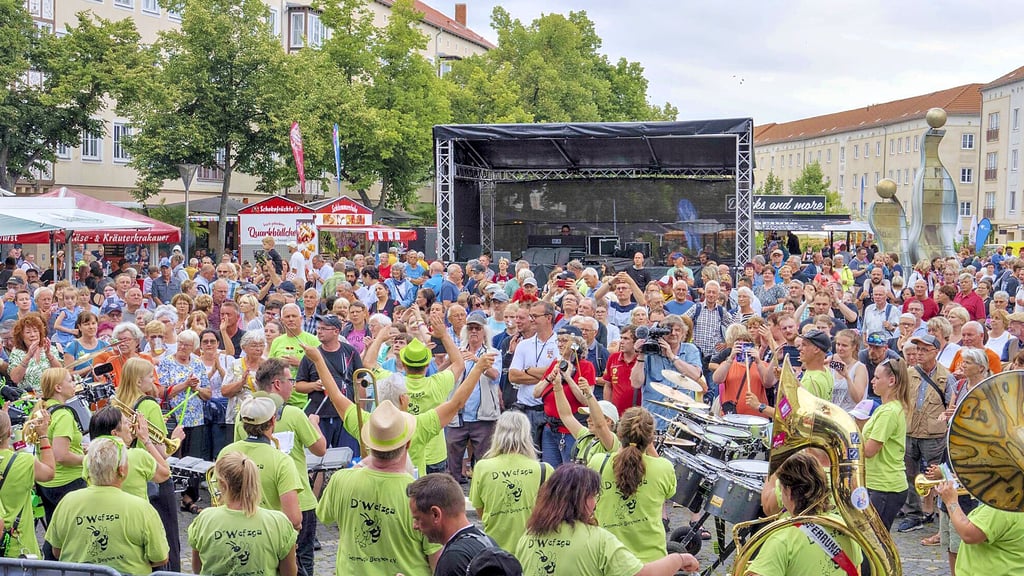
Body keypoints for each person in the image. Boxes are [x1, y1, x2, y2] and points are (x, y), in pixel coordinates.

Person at [317, 400, 442, 576]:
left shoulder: (341, 480)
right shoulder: (424, 496)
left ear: (369, 445)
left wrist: (361, 464)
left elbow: (325, 516)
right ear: (407, 444)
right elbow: (437, 562)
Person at [514, 463, 699, 576]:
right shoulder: (599, 540)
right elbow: (644, 574)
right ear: (583, 498)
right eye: (594, 495)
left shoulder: (528, 537)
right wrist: (679, 558)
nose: (595, 502)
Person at [236, 356, 326, 576]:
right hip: (297, 501)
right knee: (302, 560)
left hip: (257, 499)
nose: (293, 385)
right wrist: (314, 424)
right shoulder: (294, 413)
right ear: (277, 384)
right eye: (290, 380)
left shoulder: (244, 415)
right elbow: (320, 449)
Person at [45, 437, 169, 572]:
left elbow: (57, 551)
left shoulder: (67, 502)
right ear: (121, 470)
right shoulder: (142, 509)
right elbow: (160, 557)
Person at [745, 451, 863, 576]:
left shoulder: (782, 540)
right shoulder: (847, 529)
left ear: (788, 492)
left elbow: (768, 506)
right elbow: (857, 571)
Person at [188, 452, 298, 576]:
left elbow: (197, 568)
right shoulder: (279, 522)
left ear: (223, 484)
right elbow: (289, 573)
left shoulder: (204, 519)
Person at [588, 408, 675, 562]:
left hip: (608, 558)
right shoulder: (664, 468)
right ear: (650, 438)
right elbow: (669, 493)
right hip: (652, 560)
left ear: (619, 434)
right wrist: (649, 446)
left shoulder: (598, 462)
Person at [469, 411, 553, 552]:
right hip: (533, 548)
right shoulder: (544, 469)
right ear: (527, 435)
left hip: (495, 548)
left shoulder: (482, 467)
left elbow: (480, 509)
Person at [219, 396, 303, 531]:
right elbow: (293, 519)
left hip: (230, 531)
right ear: (272, 421)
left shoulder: (226, 452)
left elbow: (218, 498)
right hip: (268, 534)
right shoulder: (282, 460)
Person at [408, 473, 501, 576]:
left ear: (436, 514)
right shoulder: (488, 542)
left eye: (417, 518)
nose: (415, 526)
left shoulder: (452, 560)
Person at [446, 311, 501, 483]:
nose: (474, 332)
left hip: (483, 416)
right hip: (458, 416)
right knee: (453, 461)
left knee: (485, 461)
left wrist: (477, 360)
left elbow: (495, 375)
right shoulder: (458, 352)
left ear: (484, 331)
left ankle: (483, 493)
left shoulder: (492, 352)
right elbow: (443, 373)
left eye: (477, 328)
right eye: (470, 328)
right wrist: (451, 359)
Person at [863, 357, 912, 531]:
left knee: (875, 545)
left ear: (891, 381)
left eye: (877, 377)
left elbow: (869, 450)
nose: (872, 381)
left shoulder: (888, 412)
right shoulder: (887, 409)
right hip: (879, 484)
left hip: (884, 486)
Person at [0, 409, 54, 558]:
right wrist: (43, 435)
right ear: (9, 431)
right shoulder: (23, 461)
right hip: (19, 548)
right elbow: (49, 472)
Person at [158, 330, 212, 466]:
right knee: (173, 458)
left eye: (186, 345)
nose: (182, 347)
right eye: (180, 343)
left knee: (193, 460)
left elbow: (208, 394)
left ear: (193, 347)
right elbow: (163, 393)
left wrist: (196, 388)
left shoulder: (198, 363)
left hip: (195, 420)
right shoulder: (167, 362)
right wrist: (185, 384)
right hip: (173, 419)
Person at [8, 313, 61, 393]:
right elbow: (14, 379)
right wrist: (28, 356)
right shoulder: (17, 353)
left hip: (53, 394)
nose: (33, 335)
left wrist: (49, 355)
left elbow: (60, 373)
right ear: (22, 336)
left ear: (40, 333)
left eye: (35, 331)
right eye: (28, 332)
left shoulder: (50, 349)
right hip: (29, 398)